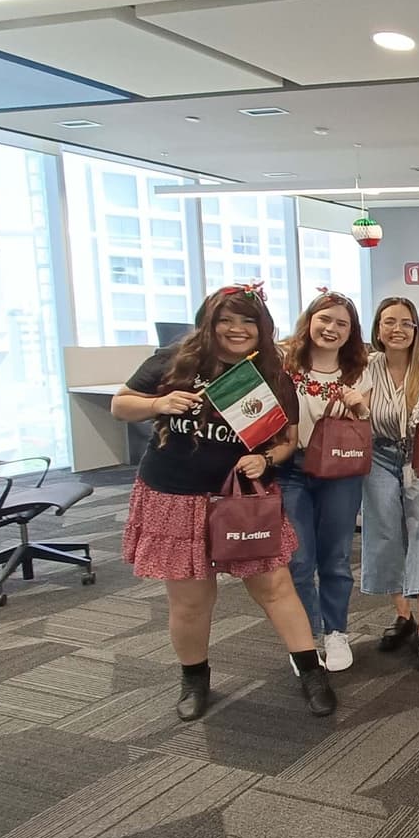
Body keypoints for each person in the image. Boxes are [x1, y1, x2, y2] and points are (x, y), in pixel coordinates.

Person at [113, 283, 335, 721]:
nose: (236, 329)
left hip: (243, 498)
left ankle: (311, 671)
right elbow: (121, 405)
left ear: (262, 327)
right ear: (209, 323)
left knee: (276, 587)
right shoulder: (174, 360)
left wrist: (265, 457)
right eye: (226, 320)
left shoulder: (270, 375)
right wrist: (159, 402)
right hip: (175, 496)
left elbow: (287, 441)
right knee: (192, 600)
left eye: (247, 321)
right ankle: (194, 677)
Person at [278, 290, 372, 673]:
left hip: (341, 470)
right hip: (290, 469)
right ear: (309, 320)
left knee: (334, 558)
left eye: (341, 324)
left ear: (351, 332)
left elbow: (367, 424)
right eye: (325, 319)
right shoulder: (284, 364)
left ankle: (336, 632)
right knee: (298, 560)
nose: (331, 329)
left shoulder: (359, 371)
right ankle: (304, 639)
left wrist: (359, 407)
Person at [362, 296, 419, 671]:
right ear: (378, 329)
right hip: (379, 455)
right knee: (387, 534)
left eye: (405, 322)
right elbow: (363, 415)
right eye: (389, 322)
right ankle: (404, 615)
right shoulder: (368, 367)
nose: (397, 329)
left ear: (416, 328)